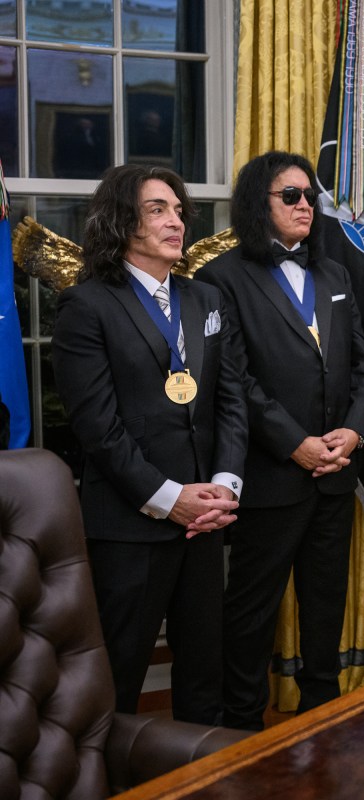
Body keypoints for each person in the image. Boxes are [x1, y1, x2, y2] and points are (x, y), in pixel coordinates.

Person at [52, 164, 246, 722]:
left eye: (179, 210)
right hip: (130, 526)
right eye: (158, 209)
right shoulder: (86, 306)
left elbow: (231, 402)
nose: (176, 220)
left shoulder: (206, 299)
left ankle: (199, 780)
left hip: (206, 521)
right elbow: (98, 429)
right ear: (121, 221)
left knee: (205, 672)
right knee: (120, 676)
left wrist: (224, 489)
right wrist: (169, 498)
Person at [196, 151, 364, 729]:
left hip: (335, 474)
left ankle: (322, 715)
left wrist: (354, 431)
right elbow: (233, 379)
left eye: (310, 196)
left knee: (326, 606)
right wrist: (293, 442)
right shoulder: (221, 277)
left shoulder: (335, 273)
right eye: (290, 196)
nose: (305, 206)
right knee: (252, 610)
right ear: (258, 203)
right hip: (272, 475)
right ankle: (242, 725)